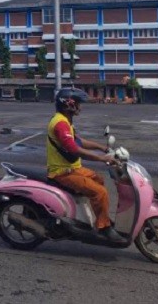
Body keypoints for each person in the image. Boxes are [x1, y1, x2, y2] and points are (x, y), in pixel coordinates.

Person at [47, 87, 123, 243]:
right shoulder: (60, 124)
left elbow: (80, 142)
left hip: (73, 169)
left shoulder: (65, 121)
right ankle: (104, 228)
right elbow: (75, 149)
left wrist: (102, 148)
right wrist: (101, 159)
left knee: (99, 179)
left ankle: (95, 217)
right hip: (63, 172)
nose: (80, 107)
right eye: (78, 104)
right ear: (69, 104)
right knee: (100, 192)